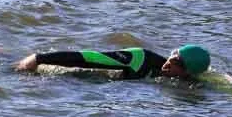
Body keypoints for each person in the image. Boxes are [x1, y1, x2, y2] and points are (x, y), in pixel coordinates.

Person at [15, 44, 211, 80]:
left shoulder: (188, 81)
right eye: (173, 57)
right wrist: (39, 58)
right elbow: (90, 58)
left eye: (179, 64)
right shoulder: (139, 58)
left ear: (187, 72)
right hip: (76, 80)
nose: (170, 64)